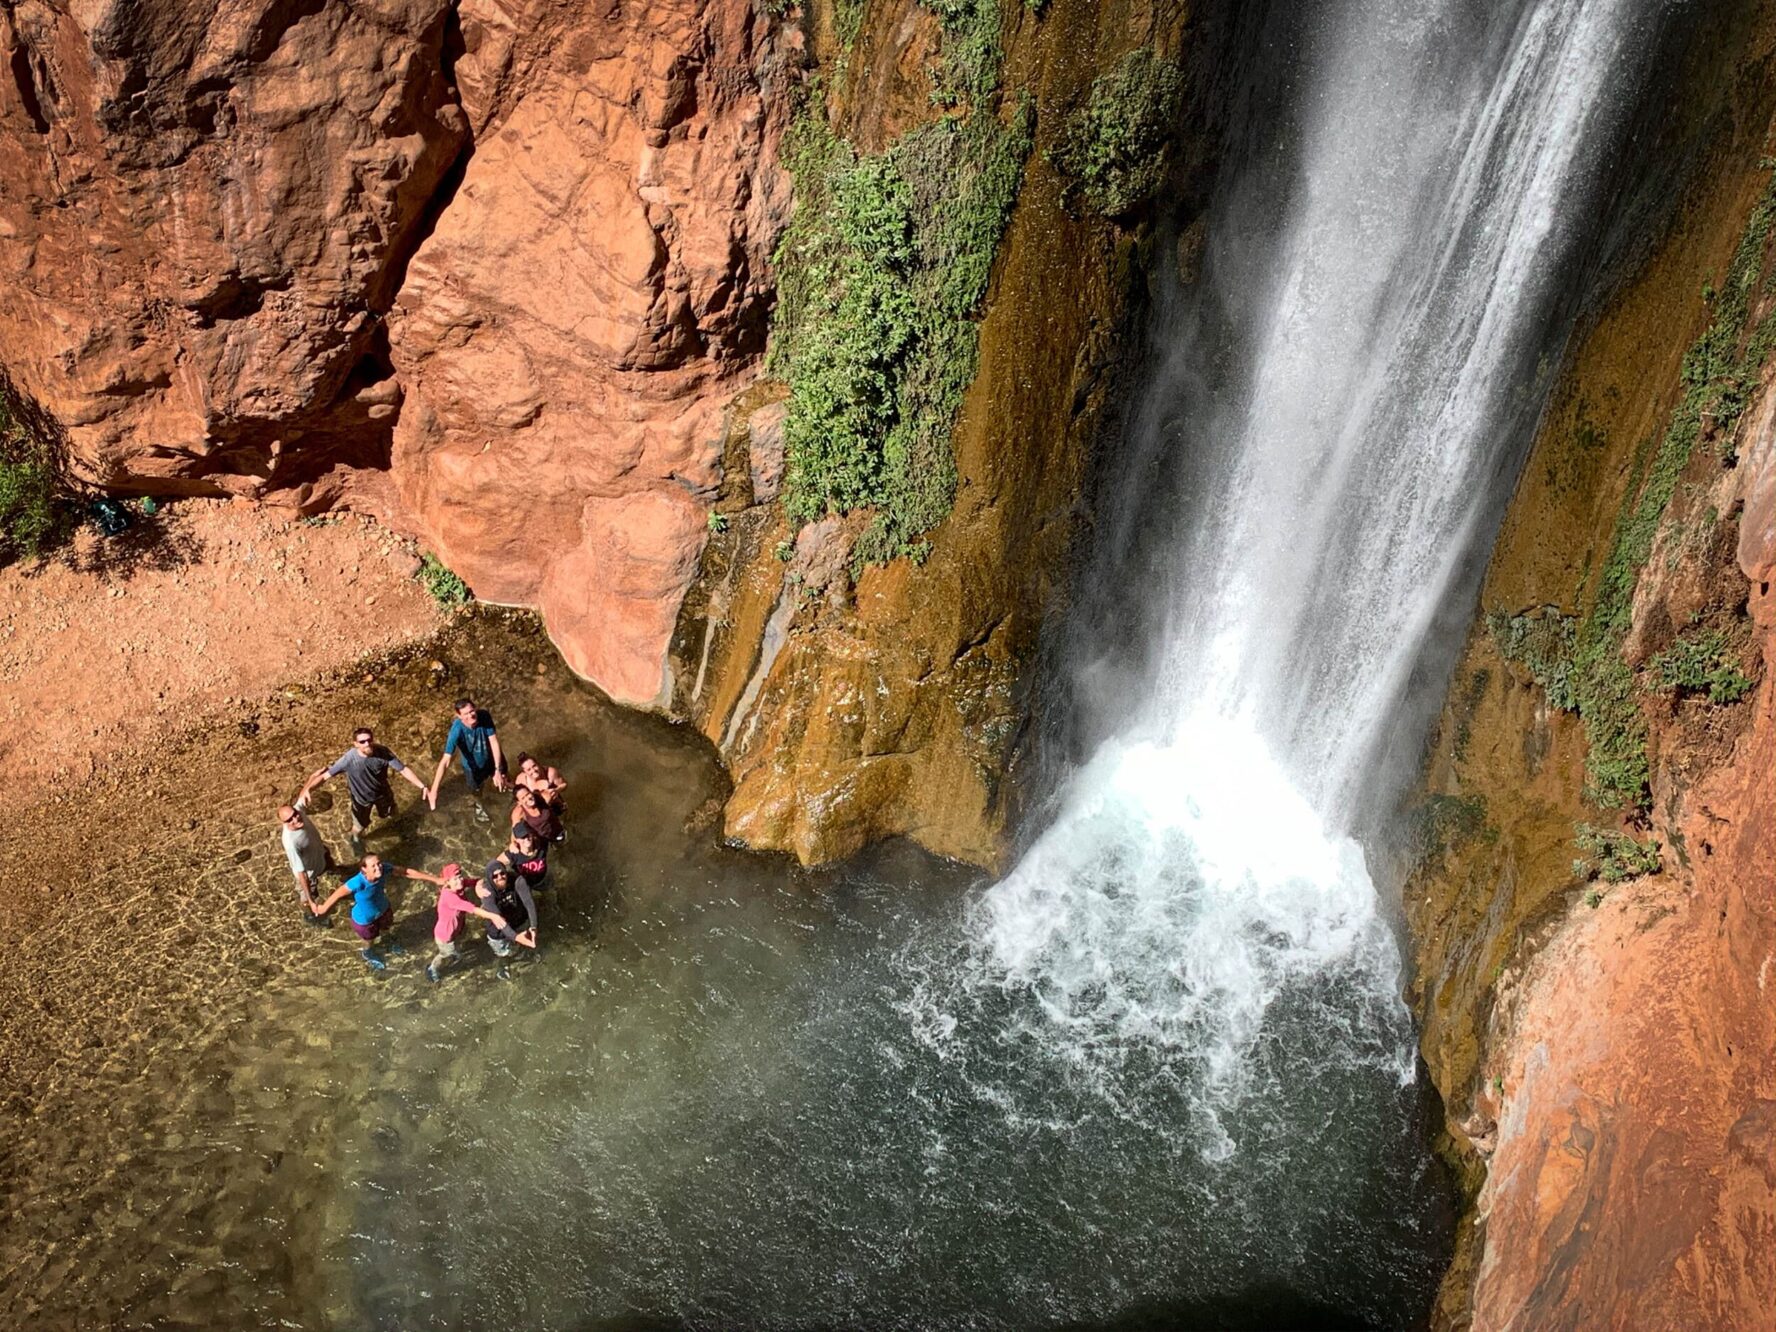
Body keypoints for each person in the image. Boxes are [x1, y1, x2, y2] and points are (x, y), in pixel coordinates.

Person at [312, 851, 441, 968]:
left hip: (383, 910)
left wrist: (435, 880)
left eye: (378, 863)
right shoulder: (357, 882)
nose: (378, 867)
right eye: (373, 866)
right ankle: (367, 952)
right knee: (369, 940)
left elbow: (406, 872)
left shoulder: (384, 869)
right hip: (364, 920)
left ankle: (388, 941)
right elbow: (338, 894)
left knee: (387, 928)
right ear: (364, 869)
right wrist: (323, 908)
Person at [301, 726, 433, 839]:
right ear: (355, 744)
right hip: (361, 800)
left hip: (383, 794)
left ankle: (399, 828)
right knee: (359, 826)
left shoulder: (382, 752)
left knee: (392, 812)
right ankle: (356, 842)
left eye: (369, 740)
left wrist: (422, 786)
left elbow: (403, 770)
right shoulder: (348, 759)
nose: (367, 744)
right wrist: (309, 789)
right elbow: (324, 777)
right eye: (362, 742)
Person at [428, 697, 507, 822]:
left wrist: (498, 769)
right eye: (466, 714)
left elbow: (494, 742)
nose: (471, 715)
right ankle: (479, 805)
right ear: (459, 716)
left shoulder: (484, 716)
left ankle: (510, 796)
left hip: (493, 759)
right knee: (476, 790)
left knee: (503, 779)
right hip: (472, 768)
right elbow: (445, 761)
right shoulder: (456, 731)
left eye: (472, 711)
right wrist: (434, 790)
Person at [426, 864, 507, 982]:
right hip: (445, 936)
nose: (460, 880)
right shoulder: (449, 897)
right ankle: (432, 968)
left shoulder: (460, 885)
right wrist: (493, 916)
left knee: (458, 948)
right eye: (455, 878)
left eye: (460, 876)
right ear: (447, 882)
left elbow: (478, 881)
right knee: (445, 955)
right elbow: (472, 909)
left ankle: (457, 952)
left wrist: (479, 887)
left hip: (459, 929)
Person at [277, 794, 332, 926]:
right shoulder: (291, 842)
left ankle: (334, 871)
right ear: (285, 823)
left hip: (319, 855)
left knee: (330, 864)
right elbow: (301, 874)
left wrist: (325, 773)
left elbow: (305, 790)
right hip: (308, 874)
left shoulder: (298, 811)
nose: (295, 818)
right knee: (307, 899)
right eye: (290, 819)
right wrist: (310, 900)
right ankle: (310, 916)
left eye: (295, 814)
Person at [475, 863, 538, 960]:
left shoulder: (517, 879)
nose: (500, 877)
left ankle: (524, 955)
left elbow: (529, 903)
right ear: (490, 878)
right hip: (498, 930)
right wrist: (516, 937)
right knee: (503, 953)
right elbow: (499, 921)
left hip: (518, 921)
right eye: (495, 876)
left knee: (521, 947)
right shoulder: (487, 892)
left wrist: (533, 926)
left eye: (502, 873)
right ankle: (504, 963)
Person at [488, 823, 549, 895]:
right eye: (522, 837)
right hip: (524, 884)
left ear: (532, 835)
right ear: (517, 840)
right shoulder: (513, 854)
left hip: (542, 881)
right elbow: (493, 866)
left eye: (528, 835)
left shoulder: (541, 844)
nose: (526, 838)